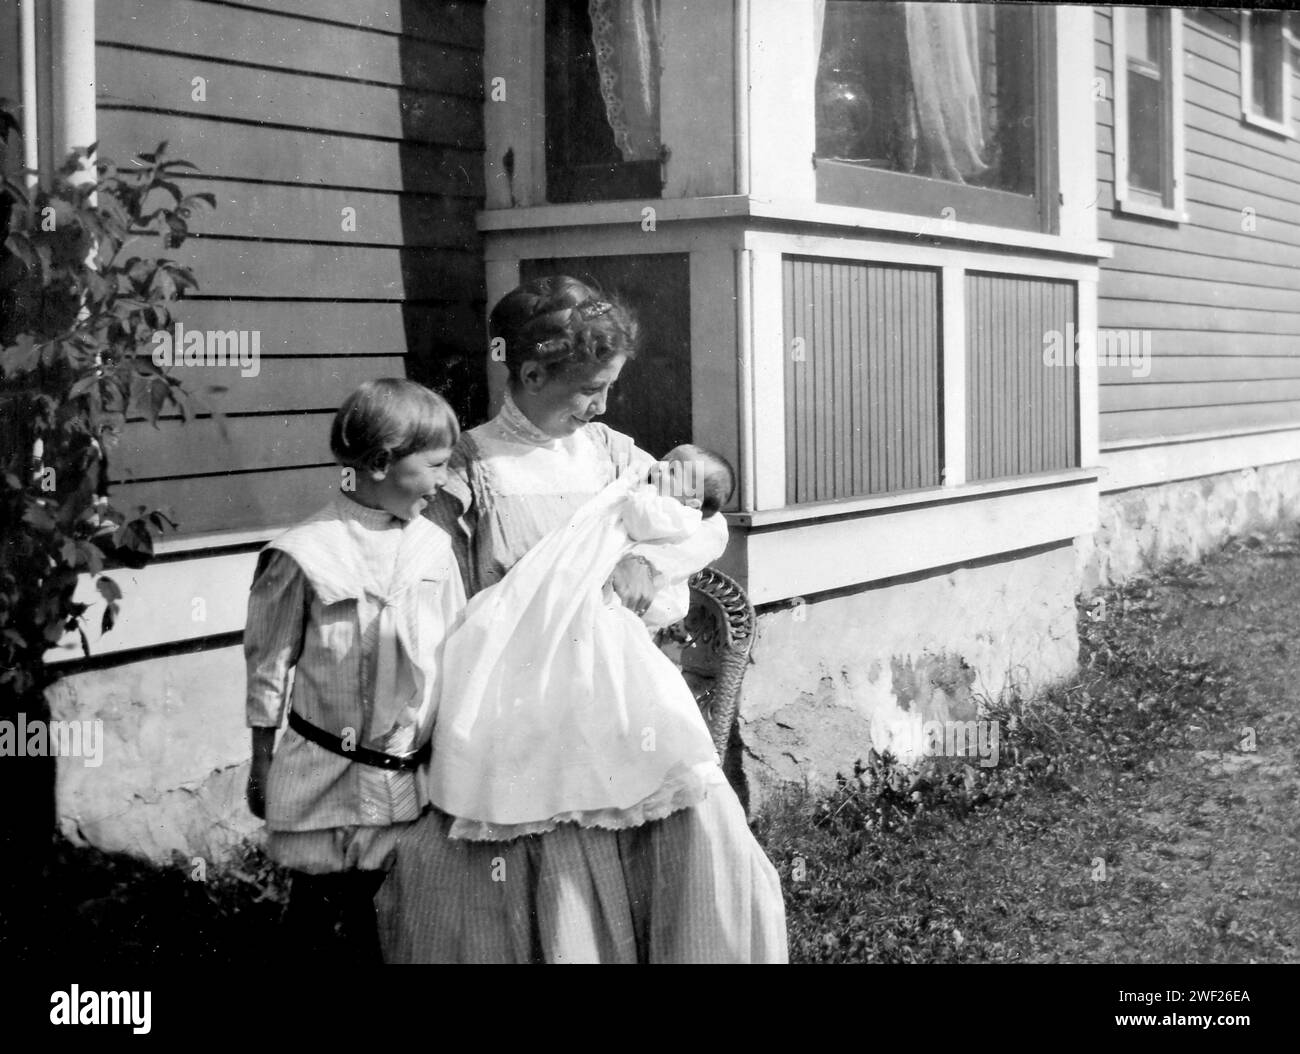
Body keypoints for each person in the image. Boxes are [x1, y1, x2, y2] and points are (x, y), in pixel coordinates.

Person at [377, 276, 787, 963]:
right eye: (586, 390)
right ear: (530, 372)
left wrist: (649, 570)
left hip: (616, 686)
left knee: (695, 809)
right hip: (518, 697)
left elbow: (697, 525)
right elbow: (435, 607)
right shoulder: (470, 469)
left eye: (608, 389)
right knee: (526, 842)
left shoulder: (617, 456)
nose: (600, 405)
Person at [243, 378, 465, 962]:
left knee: (397, 917)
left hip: (407, 778)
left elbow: (457, 651)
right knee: (317, 923)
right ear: (380, 462)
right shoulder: (304, 552)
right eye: (436, 465)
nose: (444, 480)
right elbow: (268, 665)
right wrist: (261, 761)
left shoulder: (433, 549)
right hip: (323, 775)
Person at [426, 445, 737, 843]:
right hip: (558, 573)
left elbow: (690, 526)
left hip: (597, 589)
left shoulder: (655, 491)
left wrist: (645, 556)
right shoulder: (475, 458)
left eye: (677, 470)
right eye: (667, 458)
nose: (660, 466)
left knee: (593, 672)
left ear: (691, 496)